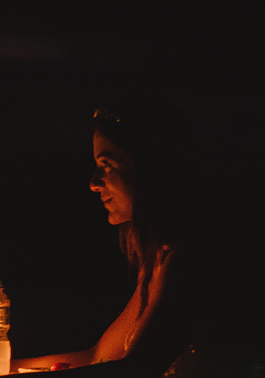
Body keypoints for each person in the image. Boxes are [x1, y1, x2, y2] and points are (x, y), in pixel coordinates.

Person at [13, 106, 234, 378]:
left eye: (106, 164)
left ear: (148, 167)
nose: (94, 183)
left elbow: (137, 369)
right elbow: (98, 356)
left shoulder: (190, 260)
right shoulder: (155, 261)